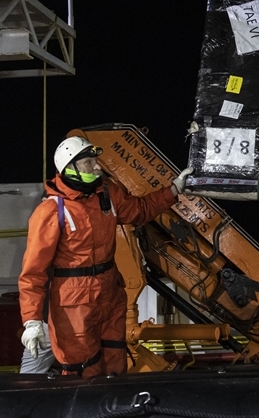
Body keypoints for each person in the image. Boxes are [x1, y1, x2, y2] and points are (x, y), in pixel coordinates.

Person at [18, 135, 192, 377]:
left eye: (95, 161)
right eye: (89, 163)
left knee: (114, 364)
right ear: (70, 168)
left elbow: (139, 211)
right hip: (74, 305)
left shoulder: (107, 194)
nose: (97, 166)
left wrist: (173, 190)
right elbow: (33, 273)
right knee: (83, 372)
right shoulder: (51, 211)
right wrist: (32, 321)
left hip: (110, 294)